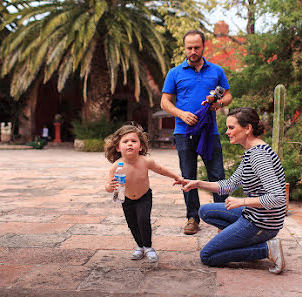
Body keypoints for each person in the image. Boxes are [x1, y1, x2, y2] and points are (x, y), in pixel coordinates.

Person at [177, 107, 287, 274]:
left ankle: (265, 249)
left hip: (263, 222)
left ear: (247, 128)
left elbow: (278, 197)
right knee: (206, 211)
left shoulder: (259, 156)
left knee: (207, 255)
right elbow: (228, 185)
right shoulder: (251, 152)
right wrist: (197, 183)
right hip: (256, 214)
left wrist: (241, 201)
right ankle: (247, 240)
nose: (227, 132)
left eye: (231, 127)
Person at [161, 29, 233, 235]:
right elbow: (164, 102)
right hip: (183, 132)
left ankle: (223, 220)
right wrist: (182, 114)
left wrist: (219, 104)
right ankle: (193, 218)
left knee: (218, 175)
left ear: (203, 47)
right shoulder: (175, 73)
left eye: (196, 47)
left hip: (210, 132)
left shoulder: (217, 70)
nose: (193, 51)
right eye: (189, 48)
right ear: (184, 48)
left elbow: (227, 96)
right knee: (187, 175)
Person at [104, 123, 185, 263]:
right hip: (126, 198)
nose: (130, 144)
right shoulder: (116, 166)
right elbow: (108, 186)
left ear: (140, 146)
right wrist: (110, 187)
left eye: (134, 141)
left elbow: (160, 169)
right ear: (118, 147)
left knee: (143, 220)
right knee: (132, 223)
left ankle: (148, 247)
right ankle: (139, 246)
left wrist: (176, 177)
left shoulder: (145, 161)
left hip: (144, 196)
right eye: (125, 141)